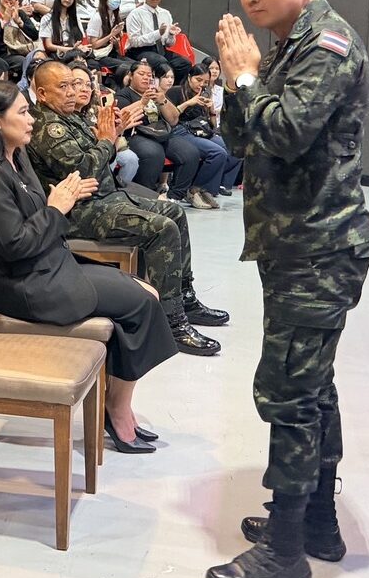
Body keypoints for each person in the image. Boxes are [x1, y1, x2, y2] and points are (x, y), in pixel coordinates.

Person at [205, 0, 369, 578]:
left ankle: (285, 550)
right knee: (312, 386)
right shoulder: (290, 49)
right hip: (295, 246)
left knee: (288, 393)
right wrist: (233, 85)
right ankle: (319, 525)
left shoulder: (327, 46)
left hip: (318, 249)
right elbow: (242, 140)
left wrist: (247, 79)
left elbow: (284, 133)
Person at [0, 79, 177, 452]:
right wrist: (55, 206)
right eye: (24, 112)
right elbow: (14, 245)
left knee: (146, 291)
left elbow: (34, 223)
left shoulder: (16, 156)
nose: (31, 121)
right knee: (144, 303)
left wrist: (57, 202)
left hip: (49, 265)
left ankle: (116, 403)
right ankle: (118, 410)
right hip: (29, 285)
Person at [26, 59, 225, 356]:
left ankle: (184, 297)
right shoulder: (48, 128)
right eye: (63, 86)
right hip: (79, 212)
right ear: (42, 94)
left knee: (175, 212)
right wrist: (108, 140)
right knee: (163, 229)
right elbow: (85, 169)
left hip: (105, 197)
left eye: (74, 85)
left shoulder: (70, 117)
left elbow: (99, 158)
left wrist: (110, 135)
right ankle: (171, 321)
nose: (71, 92)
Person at [113, 60, 206, 206]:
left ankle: (174, 195)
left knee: (190, 153)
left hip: (161, 132)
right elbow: (121, 117)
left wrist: (163, 101)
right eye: (141, 74)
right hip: (136, 133)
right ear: (131, 76)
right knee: (153, 154)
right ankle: (145, 196)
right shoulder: (123, 95)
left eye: (149, 75)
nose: (145, 78)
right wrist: (143, 102)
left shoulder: (158, 94)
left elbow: (174, 120)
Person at [167, 62, 239, 201]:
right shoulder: (175, 91)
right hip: (181, 131)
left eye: (205, 82)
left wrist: (211, 110)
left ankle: (209, 186)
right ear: (189, 77)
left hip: (201, 130)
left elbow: (211, 125)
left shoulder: (205, 93)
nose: (201, 84)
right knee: (218, 153)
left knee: (234, 150)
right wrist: (189, 102)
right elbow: (171, 118)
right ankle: (197, 190)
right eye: (198, 80)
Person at [125, 0, 193, 82]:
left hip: (161, 50)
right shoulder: (135, 14)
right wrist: (158, 33)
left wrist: (170, 34)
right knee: (162, 63)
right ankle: (159, 93)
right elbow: (134, 41)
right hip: (140, 51)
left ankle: (175, 92)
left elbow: (169, 44)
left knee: (185, 63)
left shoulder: (165, 14)